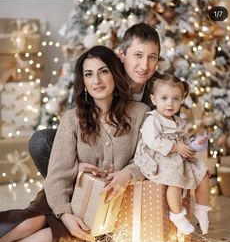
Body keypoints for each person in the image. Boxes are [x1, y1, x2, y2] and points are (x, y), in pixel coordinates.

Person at [0, 45, 150, 242]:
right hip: (60, 196)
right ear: (83, 82)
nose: (96, 80)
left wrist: (128, 172)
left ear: (115, 74)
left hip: (97, 210)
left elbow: (148, 158)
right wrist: (64, 214)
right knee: (30, 223)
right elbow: (59, 172)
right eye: (88, 74)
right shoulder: (73, 118)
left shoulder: (140, 113)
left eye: (103, 71)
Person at [29, 22, 160, 178]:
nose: (144, 66)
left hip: (132, 159)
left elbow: (163, 143)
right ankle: (68, 188)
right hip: (91, 148)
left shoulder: (163, 90)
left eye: (152, 57)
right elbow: (76, 124)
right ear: (121, 55)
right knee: (41, 141)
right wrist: (74, 167)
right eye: (138, 55)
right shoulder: (100, 76)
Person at [134, 73, 212, 236]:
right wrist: (177, 148)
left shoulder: (179, 122)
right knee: (175, 179)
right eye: (164, 98)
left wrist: (193, 145)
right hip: (158, 156)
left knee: (203, 173)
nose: (170, 103)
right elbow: (152, 141)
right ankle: (177, 215)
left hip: (177, 156)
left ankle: (202, 208)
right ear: (154, 99)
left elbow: (183, 143)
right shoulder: (152, 120)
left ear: (181, 100)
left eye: (176, 99)